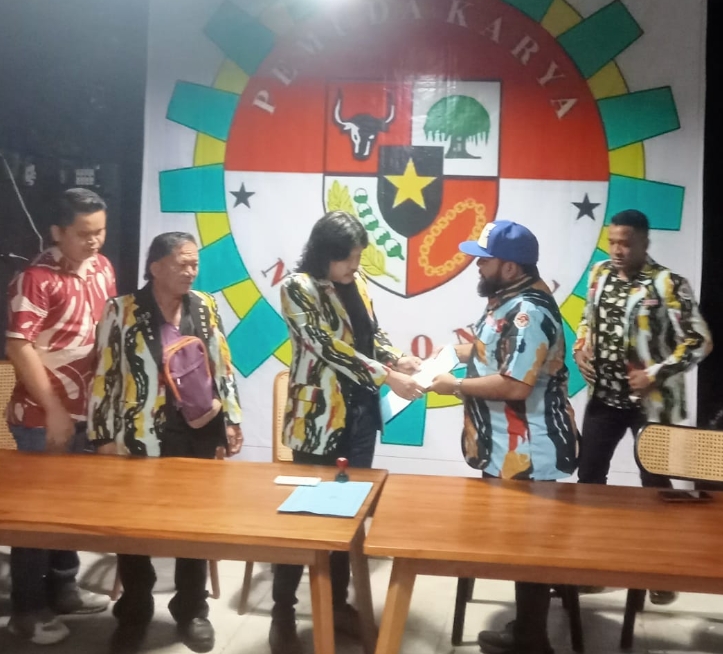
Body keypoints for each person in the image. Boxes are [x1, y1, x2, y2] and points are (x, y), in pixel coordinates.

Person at [270, 211, 425, 654]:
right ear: (326, 254)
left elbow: (370, 333)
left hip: (359, 416)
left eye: (358, 258)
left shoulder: (357, 283)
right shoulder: (297, 287)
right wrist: (387, 375)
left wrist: (397, 358)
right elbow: (326, 345)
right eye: (349, 259)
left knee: (346, 516)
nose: (355, 267)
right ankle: (283, 612)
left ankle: (337, 605)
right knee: (303, 519)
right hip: (319, 420)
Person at [88, 232, 243, 654]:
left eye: (195, 264)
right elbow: (105, 375)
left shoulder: (204, 305)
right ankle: (135, 608)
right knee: (133, 526)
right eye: (182, 264)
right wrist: (102, 436)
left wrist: (232, 420)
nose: (191, 272)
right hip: (139, 433)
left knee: (194, 525)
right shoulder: (121, 309)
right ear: (155, 267)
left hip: (199, 429)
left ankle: (192, 609)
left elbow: (222, 365)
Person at [430, 220, 578, 654]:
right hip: (506, 449)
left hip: (529, 452)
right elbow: (490, 351)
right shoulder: (508, 300)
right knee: (520, 548)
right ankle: (527, 630)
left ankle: (533, 640)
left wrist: (454, 385)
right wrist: (438, 358)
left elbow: (515, 385)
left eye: (485, 259)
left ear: (510, 267)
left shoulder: (530, 312)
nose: (477, 266)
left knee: (529, 552)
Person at [573, 208, 712, 605]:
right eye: (613, 242)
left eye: (626, 243)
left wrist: (655, 372)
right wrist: (581, 345)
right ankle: (591, 566)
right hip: (604, 397)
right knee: (589, 478)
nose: (617, 250)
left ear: (644, 243)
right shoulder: (598, 274)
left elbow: (700, 341)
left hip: (651, 404)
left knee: (655, 484)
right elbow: (587, 318)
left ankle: (662, 572)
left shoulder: (668, 283)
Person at [5, 188, 114, 645]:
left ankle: (64, 588)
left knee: (67, 508)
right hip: (41, 415)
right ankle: (26, 609)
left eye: (100, 231)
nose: (94, 241)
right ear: (57, 231)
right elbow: (18, 346)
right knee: (35, 514)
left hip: (88, 410)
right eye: (84, 233)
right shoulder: (34, 279)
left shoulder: (103, 268)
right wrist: (53, 410)